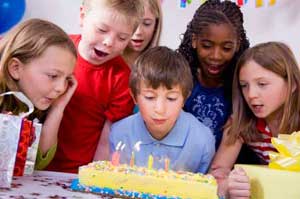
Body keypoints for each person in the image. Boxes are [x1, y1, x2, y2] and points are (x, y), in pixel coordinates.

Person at [46, 0, 144, 173]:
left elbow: (107, 141)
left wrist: (92, 178)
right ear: (83, 16)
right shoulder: (56, 49)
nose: (109, 42)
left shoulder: (122, 79)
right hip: (34, 162)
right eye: (102, 30)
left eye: (122, 38)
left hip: (77, 173)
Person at [210, 41, 300, 198]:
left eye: (262, 84)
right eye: (244, 85)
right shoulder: (240, 123)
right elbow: (215, 176)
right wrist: (228, 186)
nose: (251, 94)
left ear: (292, 85)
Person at [109, 46, 215, 173]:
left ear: (185, 98)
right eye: (150, 97)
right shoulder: (118, 134)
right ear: (134, 97)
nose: (160, 109)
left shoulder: (202, 140)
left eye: (171, 98)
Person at [0, 18, 77, 170]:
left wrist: (57, 109)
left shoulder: (32, 105)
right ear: (15, 68)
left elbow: (36, 164)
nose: (61, 88)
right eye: (53, 76)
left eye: (67, 78)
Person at [177, 0, 250, 149]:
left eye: (226, 48)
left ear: (238, 44)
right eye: (207, 46)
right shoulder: (178, 77)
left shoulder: (244, 85)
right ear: (194, 40)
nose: (216, 56)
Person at [122, 0, 162, 68]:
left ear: (156, 24)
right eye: (132, 23)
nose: (138, 32)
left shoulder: (161, 66)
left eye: (147, 23)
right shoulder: (105, 62)